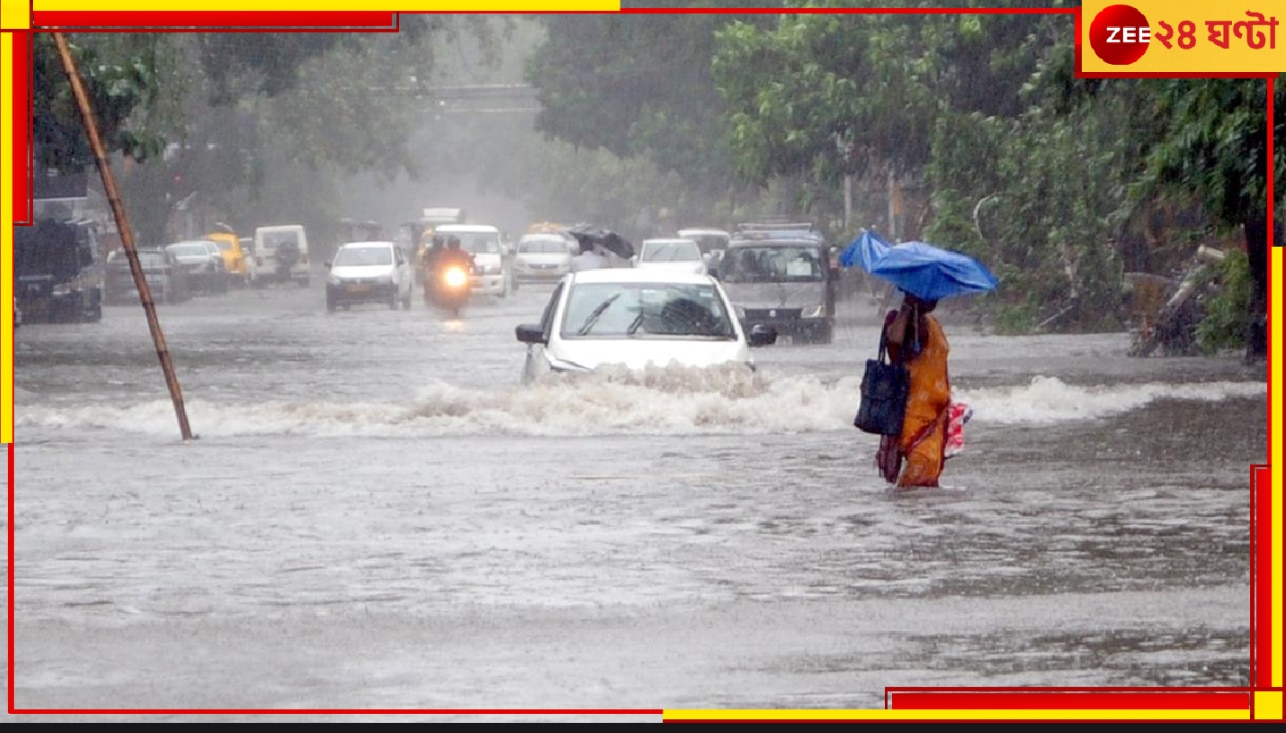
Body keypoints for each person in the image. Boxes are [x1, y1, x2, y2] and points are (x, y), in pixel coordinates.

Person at [876, 291, 952, 488]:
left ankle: (918, 510)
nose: (933, 300)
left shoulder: (934, 324)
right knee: (921, 458)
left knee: (930, 468)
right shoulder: (899, 321)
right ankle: (906, 508)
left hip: (937, 413)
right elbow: (894, 340)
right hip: (910, 411)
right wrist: (906, 308)